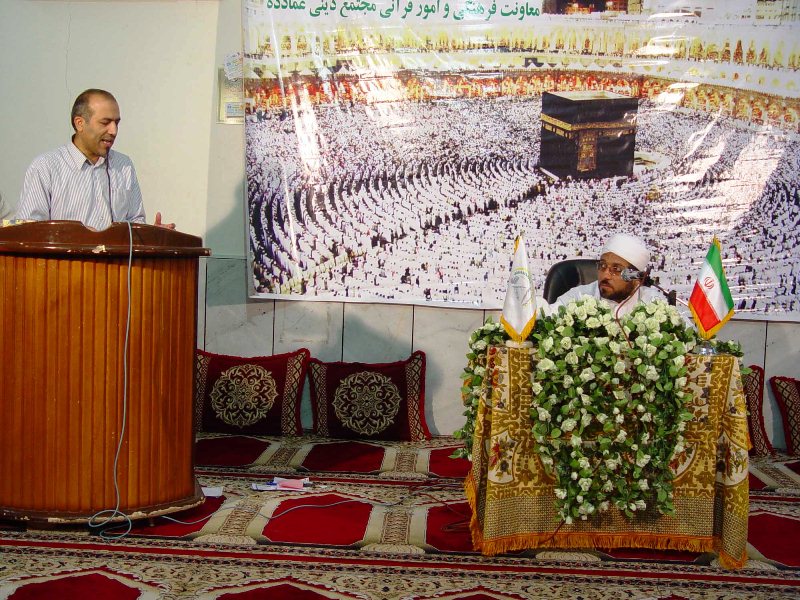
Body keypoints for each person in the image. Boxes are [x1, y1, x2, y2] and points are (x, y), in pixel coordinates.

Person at [16, 89, 174, 230]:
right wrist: (81, 237)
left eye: (116, 123)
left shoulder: (124, 165)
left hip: (116, 256)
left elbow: (135, 222)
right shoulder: (45, 167)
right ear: (80, 123)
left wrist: (151, 234)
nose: (113, 131)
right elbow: (29, 230)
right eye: (105, 122)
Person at [550, 233, 663, 317]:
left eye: (616, 269)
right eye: (602, 266)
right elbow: (547, 317)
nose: (605, 275)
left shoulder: (654, 304)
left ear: (636, 277)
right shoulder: (577, 298)